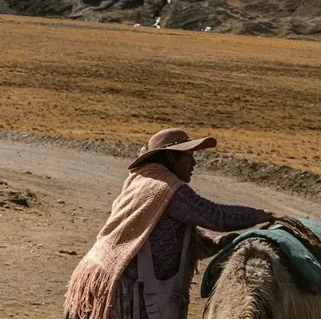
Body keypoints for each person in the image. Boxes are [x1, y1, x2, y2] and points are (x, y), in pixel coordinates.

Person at [64, 128, 275, 319]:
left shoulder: (142, 181)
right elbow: (215, 215)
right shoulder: (168, 189)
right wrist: (260, 215)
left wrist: (222, 242)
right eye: (188, 155)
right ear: (170, 157)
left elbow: (173, 235)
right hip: (123, 287)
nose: (194, 163)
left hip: (102, 273)